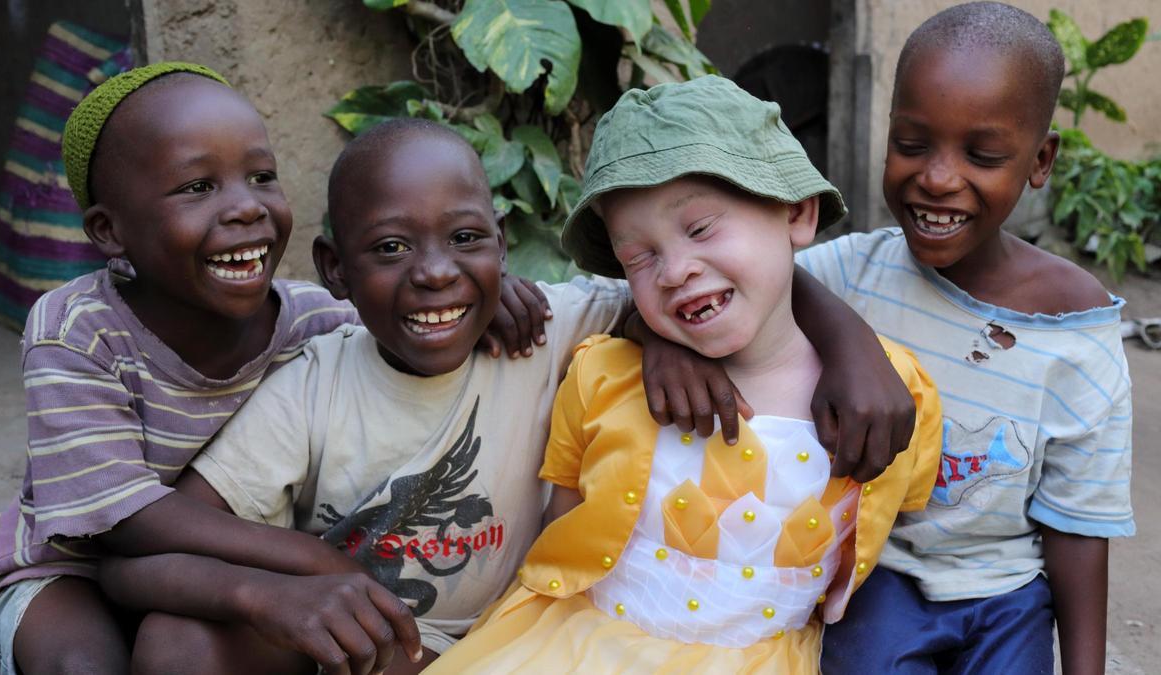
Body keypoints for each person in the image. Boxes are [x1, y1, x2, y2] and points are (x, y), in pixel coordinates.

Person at [98, 116, 928, 675]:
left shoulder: (556, 326)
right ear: (334, 270)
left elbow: (722, 294)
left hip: (516, 637)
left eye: (465, 240)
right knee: (176, 641)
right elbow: (132, 562)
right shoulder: (311, 392)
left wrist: (829, 343)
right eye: (390, 246)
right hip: (362, 645)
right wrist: (277, 589)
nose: (433, 272)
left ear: (503, 247)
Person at [0, 63, 551, 675]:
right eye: (197, 187)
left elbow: (412, 302)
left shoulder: (315, 319)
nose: (246, 207)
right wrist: (311, 566)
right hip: (72, 565)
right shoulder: (76, 332)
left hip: (216, 564)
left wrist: (483, 292)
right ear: (110, 231)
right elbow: (122, 524)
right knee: (84, 664)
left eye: (261, 176)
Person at [423, 76, 944, 675]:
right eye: (638, 256)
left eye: (699, 228)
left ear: (797, 213)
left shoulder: (896, 394)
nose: (674, 270)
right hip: (579, 649)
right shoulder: (602, 376)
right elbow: (561, 536)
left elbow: (897, 526)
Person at [806, 4, 1135, 674]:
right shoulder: (853, 273)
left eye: (981, 155)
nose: (937, 177)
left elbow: (1077, 525)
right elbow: (746, 288)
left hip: (1006, 591)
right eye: (911, 143)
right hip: (877, 576)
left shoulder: (1076, 334)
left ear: (1040, 160)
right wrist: (847, 336)